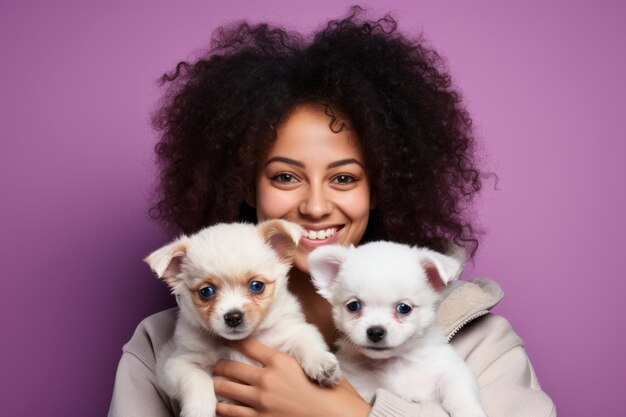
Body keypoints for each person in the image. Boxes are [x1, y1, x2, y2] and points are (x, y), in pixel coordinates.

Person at [109, 7, 555, 417]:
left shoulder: (480, 341)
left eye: (344, 178)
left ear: (381, 187)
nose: (316, 207)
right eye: (286, 177)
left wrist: (348, 413)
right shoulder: (160, 346)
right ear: (246, 185)